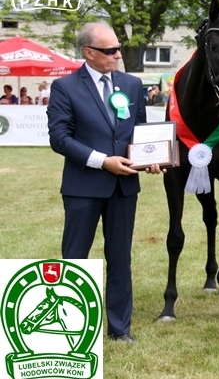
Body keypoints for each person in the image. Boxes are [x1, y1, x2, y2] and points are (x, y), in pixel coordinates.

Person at [47, 22, 162, 343]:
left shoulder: (130, 83)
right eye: (110, 50)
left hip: (124, 189)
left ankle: (120, 328)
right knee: (74, 259)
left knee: (120, 258)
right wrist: (102, 161)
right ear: (89, 53)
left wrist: (149, 157)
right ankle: (68, 328)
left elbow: (139, 133)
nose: (117, 55)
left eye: (118, 49)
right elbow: (59, 138)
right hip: (83, 186)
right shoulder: (65, 87)